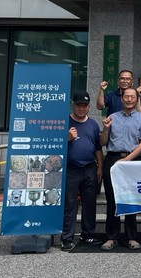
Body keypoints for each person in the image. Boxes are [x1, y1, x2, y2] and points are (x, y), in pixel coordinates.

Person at [99, 87, 141, 251]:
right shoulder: (112, 117)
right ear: (122, 99)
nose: (129, 99)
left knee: (131, 199)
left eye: (132, 97)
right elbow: (103, 142)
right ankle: (111, 237)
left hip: (132, 160)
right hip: (113, 158)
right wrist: (106, 129)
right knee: (112, 198)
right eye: (126, 96)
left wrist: (127, 160)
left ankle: (131, 237)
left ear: (136, 99)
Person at [61, 90, 103, 251]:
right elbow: (54, 145)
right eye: (79, 105)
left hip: (90, 168)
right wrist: (67, 138)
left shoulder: (93, 124)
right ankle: (67, 238)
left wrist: (100, 167)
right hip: (70, 169)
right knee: (70, 204)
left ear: (89, 107)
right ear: (73, 105)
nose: (81, 108)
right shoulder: (65, 122)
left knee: (89, 203)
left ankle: (88, 234)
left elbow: (97, 148)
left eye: (85, 105)